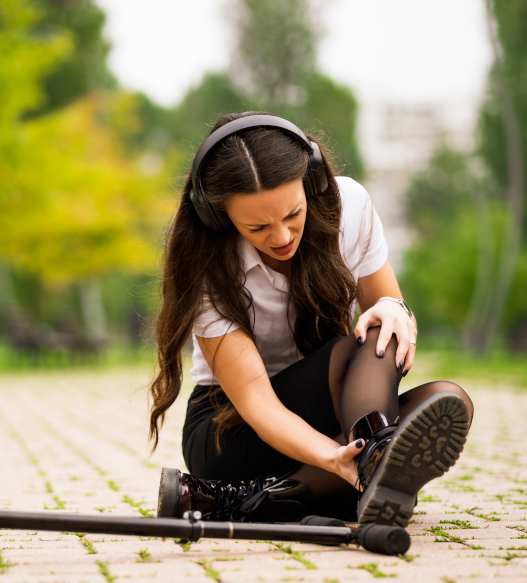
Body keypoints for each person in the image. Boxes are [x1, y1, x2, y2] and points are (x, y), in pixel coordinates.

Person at [148, 112, 474, 527]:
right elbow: (256, 402)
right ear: (219, 217)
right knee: (342, 354)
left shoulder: (349, 206)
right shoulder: (207, 262)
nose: (282, 237)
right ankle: (361, 466)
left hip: (339, 416)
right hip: (232, 428)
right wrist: (331, 457)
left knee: (442, 393)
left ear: (313, 181)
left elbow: (389, 323)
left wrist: (396, 308)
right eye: (258, 226)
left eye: (292, 214)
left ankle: (267, 498)